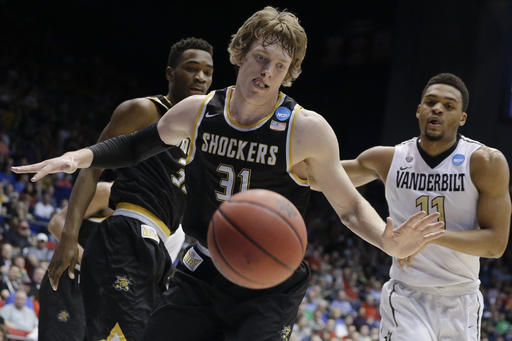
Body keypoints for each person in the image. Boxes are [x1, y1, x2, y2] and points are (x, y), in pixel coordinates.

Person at [12, 7, 443, 340]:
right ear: (239, 54)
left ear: (290, 73)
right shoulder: (199, 112)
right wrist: (79, 157)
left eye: (280, 64)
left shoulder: (306, 130)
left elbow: (349, 206)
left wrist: (387, 240)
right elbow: (137, 144)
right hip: (202, 268)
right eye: (261, 57)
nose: (267, 71)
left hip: (269, 283)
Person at [18, 37, 213, 341]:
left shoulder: (202, 134)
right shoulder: (145, 110)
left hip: (157, 249)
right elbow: (92, 165)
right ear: (170, 73)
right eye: (191, 68)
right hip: (128, 234)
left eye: (207, 71)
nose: (200, 77)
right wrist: (68, 238)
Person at [339, 73, 511, 340]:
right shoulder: (388, 158)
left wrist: (427, 237)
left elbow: (495, 244)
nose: (438, 109)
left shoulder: (485, 162)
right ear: (419, 110)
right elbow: (322, 176)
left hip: (462, 297)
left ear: (462, 118)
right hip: (408, 295)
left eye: (449, 105)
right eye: (430, 102)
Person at [38, 181, 113, 341]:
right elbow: (57, 223)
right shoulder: (106, 191)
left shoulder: (147, 208)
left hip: (97, 290)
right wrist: (88, 261)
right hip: (67, 279)